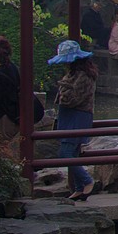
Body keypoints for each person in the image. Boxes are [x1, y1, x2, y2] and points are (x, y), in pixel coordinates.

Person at [48, 40, 98, 201]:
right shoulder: (73, 74)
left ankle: (87, 180)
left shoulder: (83, 76)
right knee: (73, 152)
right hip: (69, 115)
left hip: (78, 115)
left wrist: (62, 90)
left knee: (66, 153)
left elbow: (73, 99)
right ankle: (79, 188)